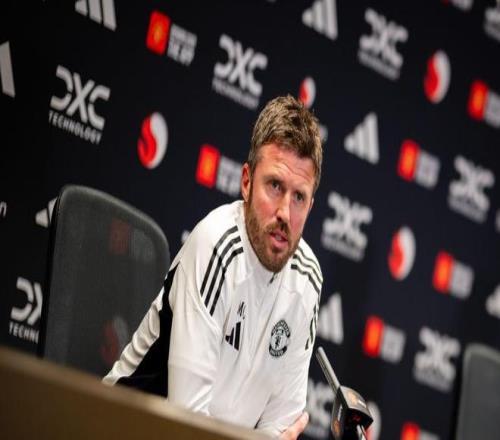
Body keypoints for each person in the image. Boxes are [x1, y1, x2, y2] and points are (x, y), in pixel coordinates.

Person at [104, 95, 323, 438]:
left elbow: (281, 423)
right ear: (247, 182)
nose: (285, 212)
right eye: (275, 186)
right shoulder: (216, 247)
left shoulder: (307, 279)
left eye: (299, 197)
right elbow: (187, 423)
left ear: (310, 206)